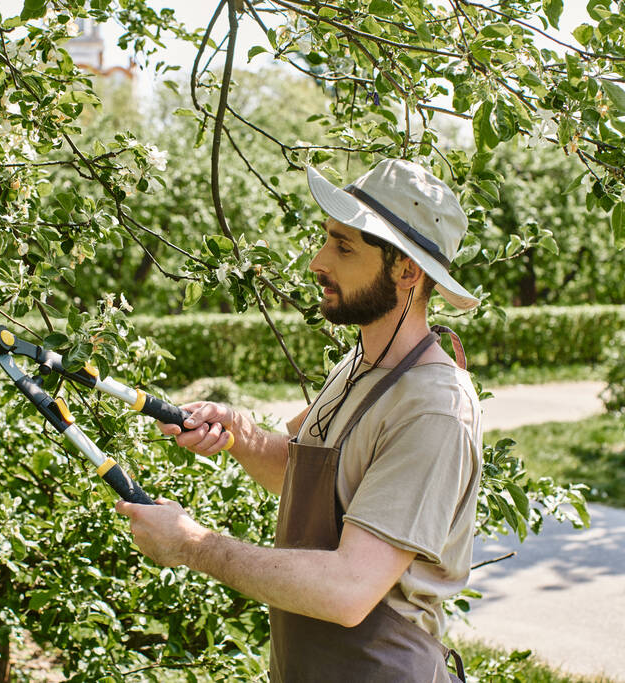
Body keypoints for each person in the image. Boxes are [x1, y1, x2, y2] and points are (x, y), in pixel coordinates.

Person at [116, 159, 483, 682]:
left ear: (407, 272)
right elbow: (303, 477)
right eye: (327, 239)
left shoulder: (433, 408)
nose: (317, 262)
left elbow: (349, 589)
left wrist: (193, 545)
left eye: (344, 247)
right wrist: (239, 434)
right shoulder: (357, 365)